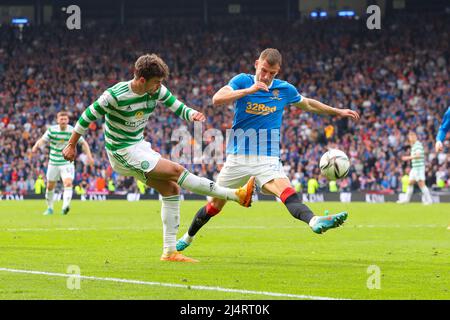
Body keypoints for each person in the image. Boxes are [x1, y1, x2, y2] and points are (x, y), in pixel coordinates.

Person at [62, 53, 255, 263]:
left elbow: (175, 105)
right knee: (176, 171)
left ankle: (170, 252)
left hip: (139, 146)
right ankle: (236, 195)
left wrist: (191, 114)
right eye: (156, 82)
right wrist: (71, 145)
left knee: (171, 189)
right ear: (142, 80)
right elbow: (86, 117)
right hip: (121, 152)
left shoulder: (156, 90)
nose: (159, 86)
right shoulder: (114, 95)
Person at [176, 48, 360, 252]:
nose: (266, 76)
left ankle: (314, 220)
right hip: (237, 158)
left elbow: (307, 104)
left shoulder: (284, 90)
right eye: (263, 70)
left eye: (272, 73)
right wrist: (250, 90)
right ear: (256, 64)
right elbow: (217, 99)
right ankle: (188, 237)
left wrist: (337, 111)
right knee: (214, 206)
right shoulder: (242, 81)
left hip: (267, 157)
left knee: (286, 193)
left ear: (277, 71)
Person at [32, 111, 94, 215]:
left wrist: (90, 157)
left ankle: (65, 207)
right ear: (57, 120)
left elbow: (83, 143)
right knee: (50, 186)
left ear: (68, 120)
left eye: (65, 119)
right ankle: (50, 208)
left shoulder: (72, 131)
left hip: (67, 163)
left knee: (68, 183)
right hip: (53, 162)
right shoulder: (52, 130)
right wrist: (35, 146)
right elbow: (42, 140)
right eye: (61, 119)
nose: (63, 121)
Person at [397, 131, 433, 205]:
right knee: (410, 183)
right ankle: (406, 200)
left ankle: (429, 201)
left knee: (421, 184)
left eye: (412, 136)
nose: (411, 138)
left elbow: (418, 155)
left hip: (419, 168)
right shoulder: (413, 145)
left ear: (415, 137)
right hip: (415, 168)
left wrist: (408, 158)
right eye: (410, 137)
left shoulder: (418, 145)